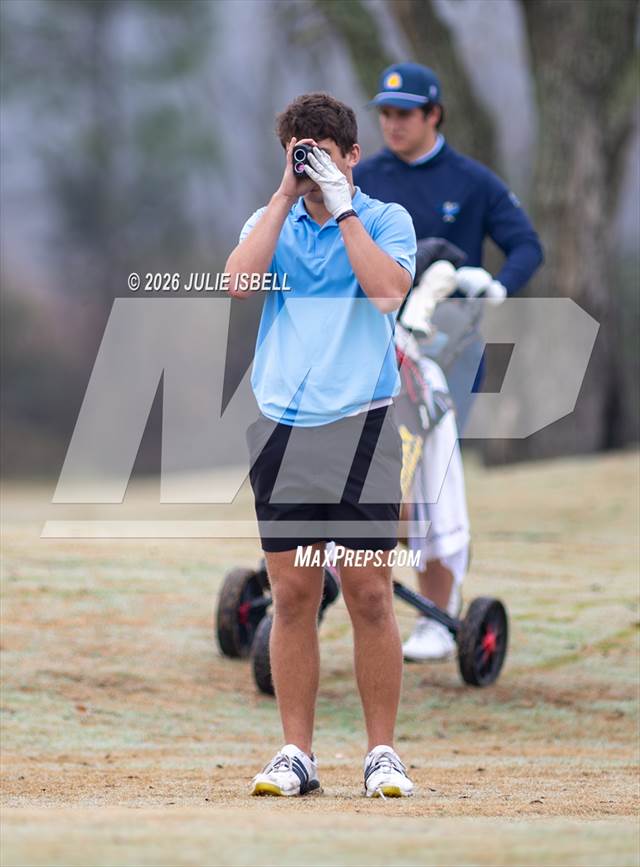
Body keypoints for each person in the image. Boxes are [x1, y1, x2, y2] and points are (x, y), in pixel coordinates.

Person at [225, 93, 417, 798]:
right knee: (294, 593)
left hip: (362, 425)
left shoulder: (385, 219)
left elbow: (388, 292)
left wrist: (342, 207)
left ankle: (382, 753)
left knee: (368, 592)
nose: (311, 165)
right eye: (298, 153)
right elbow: (238, 282)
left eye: (323, 153)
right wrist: (284, 195)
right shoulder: (270, 218)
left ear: (353, 156)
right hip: (282, 426)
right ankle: (296, 753)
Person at [355, 62, 543, 661]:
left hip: (450, 353)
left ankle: (439, 615)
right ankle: (347, 587)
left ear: (433, 115)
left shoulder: (473, 181)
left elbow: (526, 246)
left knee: (425, 476)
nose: (393, 124)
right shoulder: (363, 177)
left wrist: (497, 286)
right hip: (372, 344)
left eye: (405, 114)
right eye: (384, 113)